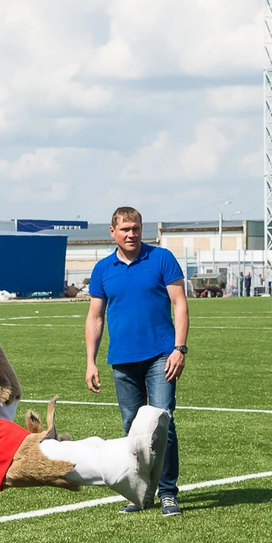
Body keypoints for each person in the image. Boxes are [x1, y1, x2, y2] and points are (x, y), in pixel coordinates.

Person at [85, 206, 187, 516]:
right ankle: (140, 493)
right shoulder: (103, 269)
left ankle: (168, 493)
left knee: (162, 421)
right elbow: (95, 317)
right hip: (122, 359)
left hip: (161, 355)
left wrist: (179, 349)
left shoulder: (162, 259)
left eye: (136, 228)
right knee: (132, 428)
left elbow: (180, 304)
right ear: (112, 232)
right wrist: (91, 361)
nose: (131, 234)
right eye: (125, 229)